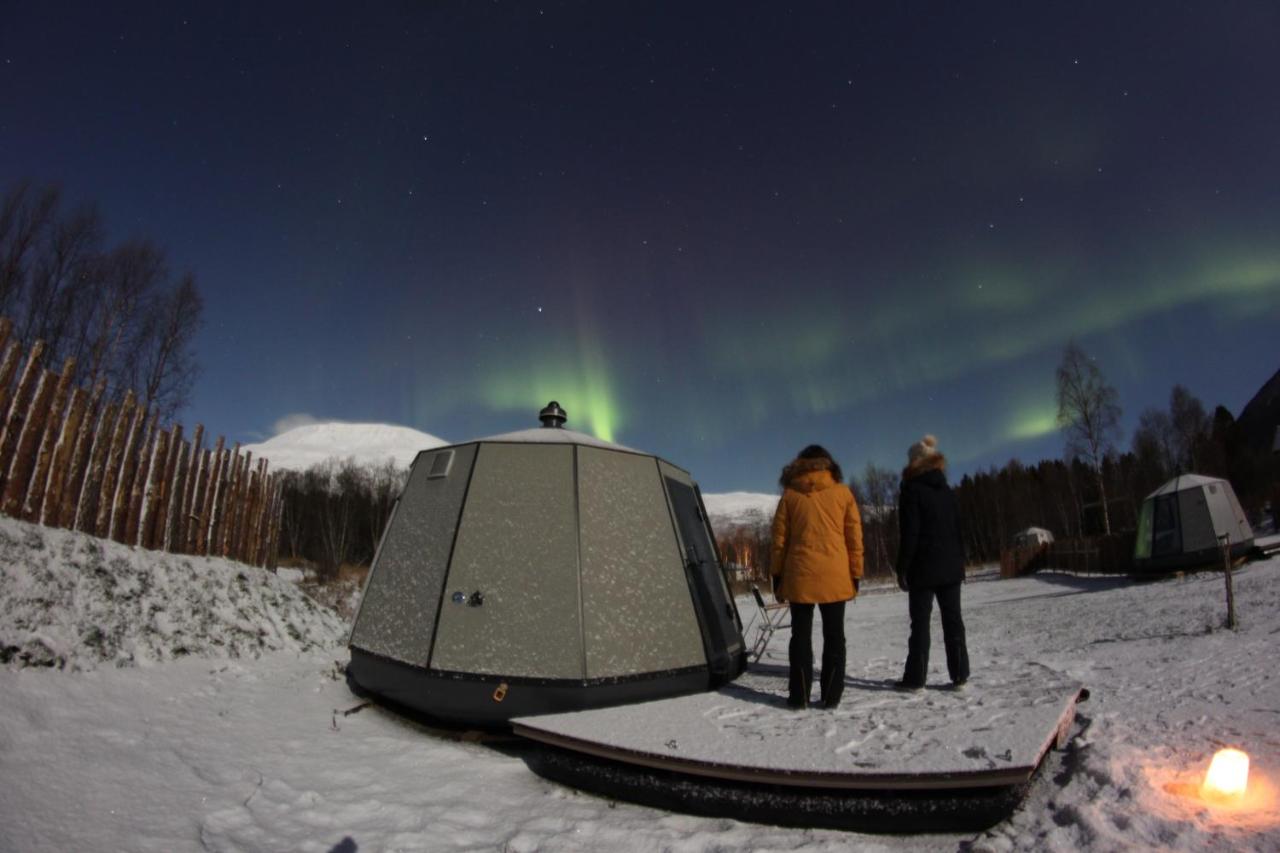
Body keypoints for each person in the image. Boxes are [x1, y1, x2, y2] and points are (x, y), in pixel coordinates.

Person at [770, 445, 864, 709]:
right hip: (835, 576)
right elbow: (854, 539)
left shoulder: (789, 496)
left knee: (800, 637)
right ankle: (831, 695)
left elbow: (779, 542)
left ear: (799, 465)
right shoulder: (843, 493)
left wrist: (777, 574)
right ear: (828, 465)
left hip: (800, 576)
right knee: (835, 636)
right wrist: (855, 573)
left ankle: (799, 696)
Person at [895, 434, 969, 690]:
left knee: (921, 624)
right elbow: (958, 529)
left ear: (915, 462)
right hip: (951, 567)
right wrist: (961, 561)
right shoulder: (947, 490)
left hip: (922, 568)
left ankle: (915, 679)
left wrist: (902, 567)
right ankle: (960, 675)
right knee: (953, 621)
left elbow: (910, 532)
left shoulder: (911, 490)